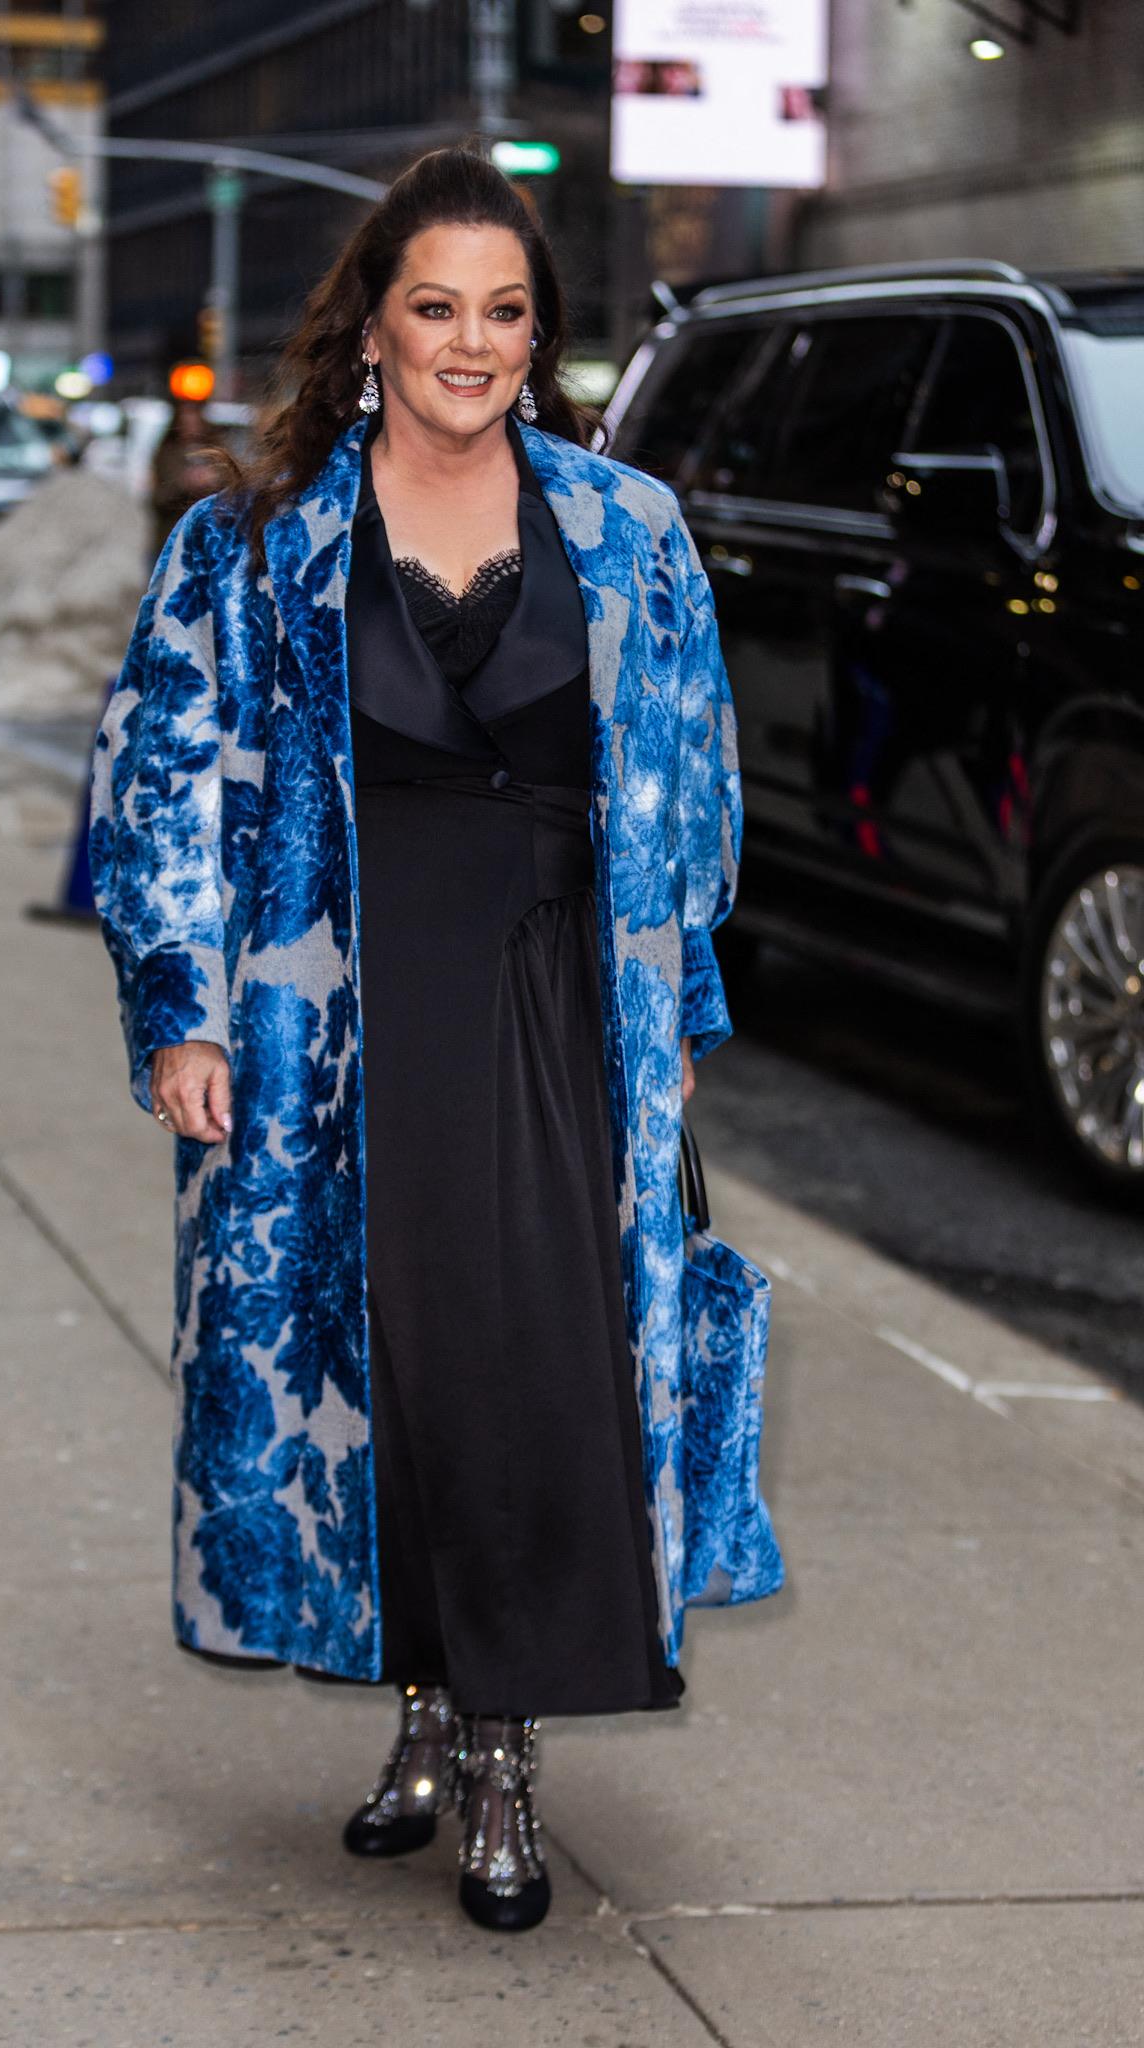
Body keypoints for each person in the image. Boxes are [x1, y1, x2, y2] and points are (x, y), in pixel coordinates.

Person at [90, 145, 782, 1938]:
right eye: (432, 308)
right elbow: (162, 784)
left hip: (561, 1000)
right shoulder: (250, 546)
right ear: (372, 328)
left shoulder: (626, 527)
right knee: (383, 1367)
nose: (468, 343)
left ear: (535, 333)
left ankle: (501, 1748)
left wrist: (683, 1011)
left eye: (502, 311)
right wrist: (179, 1009)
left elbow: (692, 784)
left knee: (536, 1377)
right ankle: (418, 1705)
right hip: (337, 1014)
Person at [149, 399, 228, 564]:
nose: (191, 428)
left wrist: (215, 481)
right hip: (173, 538)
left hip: (208, 541)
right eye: (185, 422)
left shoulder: (218, 454)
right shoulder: (166, 455)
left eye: (194, 421)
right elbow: (157, 498)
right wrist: (183, 484)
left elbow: (234, 493)